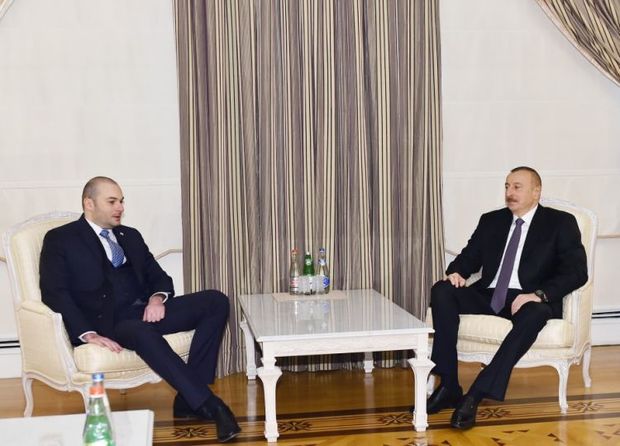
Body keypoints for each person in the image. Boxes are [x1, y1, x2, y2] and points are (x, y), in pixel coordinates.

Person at [39, 176, 241, 443]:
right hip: (110, 323)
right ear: (89, 203)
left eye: (121, 201)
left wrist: (156, 299)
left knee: (215, 301)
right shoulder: (61, 239)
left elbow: (158, 276)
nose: (120, 207)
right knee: (142, 332)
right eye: (112, 202)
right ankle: (212, 405)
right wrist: (88, 334)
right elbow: (55, 293)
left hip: (144, 311)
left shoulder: (130, 235)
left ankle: (187, 398)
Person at [425, 166, 587, 429]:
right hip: (489, 295)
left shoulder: (560, 223)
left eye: (517, 187)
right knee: (442, 290)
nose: (509, 192)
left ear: (536, 192)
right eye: (507, 186)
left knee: (536, 313)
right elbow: (467, 259)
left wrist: (539, 295)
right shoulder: (492, 220)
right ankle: (449, 385)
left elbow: (577, 272)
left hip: (529, 299)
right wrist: (457, 273)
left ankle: (475, 394)